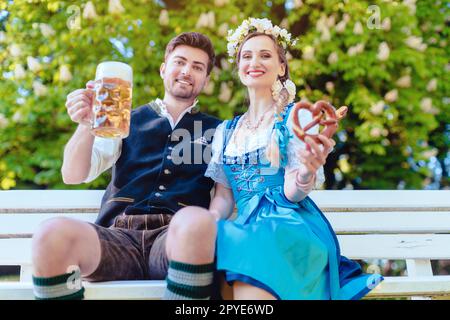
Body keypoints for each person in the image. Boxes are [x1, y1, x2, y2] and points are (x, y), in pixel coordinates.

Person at [178, 18, 384, 300]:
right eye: (247, 56)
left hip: (286, 221)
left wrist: (305, 173)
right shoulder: (226, 131)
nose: (255, 62)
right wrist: (210, 220)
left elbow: (294, 192)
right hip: (243, 225)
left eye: (265, 55)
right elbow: (224, 197)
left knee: (248, 244)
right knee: (215, 242)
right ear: (239, 68)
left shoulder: (296, 117)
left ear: (282, 67)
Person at [31, 32, 222, 300]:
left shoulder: (219, 131)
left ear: (206, 79)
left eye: (197, 67)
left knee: (195, 221)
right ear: (163, 68)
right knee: (50, 235)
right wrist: (85, 125)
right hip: (116, 238)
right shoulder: (121, 118)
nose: (187, 71)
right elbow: (73, 175)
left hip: (174, 241)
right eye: (180, 62)